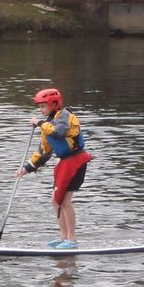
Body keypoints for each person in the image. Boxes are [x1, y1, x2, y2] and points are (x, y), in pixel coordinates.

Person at [17, 88, 92, 249]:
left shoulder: (64, 116)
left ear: (54, 104)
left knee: (65, 201)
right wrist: (26, 168)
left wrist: (39, 123)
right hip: (64, 163)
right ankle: (63, 237)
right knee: (55, 200)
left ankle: (72, 239)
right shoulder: (47, 126)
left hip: (76, 161)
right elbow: (43, 152)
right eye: (40, 107)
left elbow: (60, 132)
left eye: (43, 106)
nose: (40, 110)